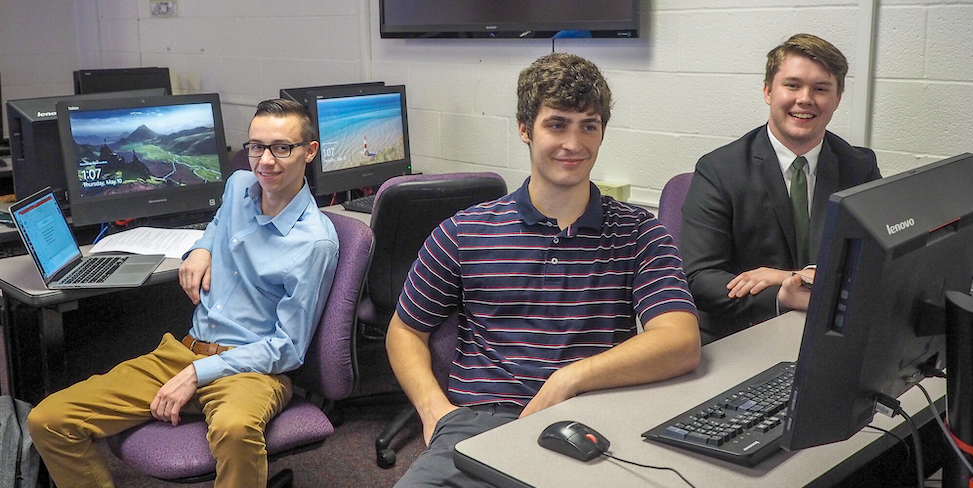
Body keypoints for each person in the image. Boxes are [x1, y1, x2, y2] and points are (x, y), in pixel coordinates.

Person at [386, 53, 701, 487]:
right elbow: (405, 331)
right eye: (557, 124)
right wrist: (434, 411)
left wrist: (569, 378)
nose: (574, 143)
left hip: (592, 423)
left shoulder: (638, 232)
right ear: (524, 129)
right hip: (480, 424)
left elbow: (681, 341)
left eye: (588, 125)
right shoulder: (464, 232)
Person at [27, 99, 340, 488]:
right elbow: (218, 220)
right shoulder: (240, 184)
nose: (265, 161)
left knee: (235, 429)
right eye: (256, 147)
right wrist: (203, 248)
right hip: (182, 352)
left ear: (309, 152)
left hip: (253, 369)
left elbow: (288, 348)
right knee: (49, 420)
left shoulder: (314, 244)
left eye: (281, 147)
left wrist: (199, 373)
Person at [681, 33, 880, 342]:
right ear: (768, 91)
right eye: (792, 85)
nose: (805, 99)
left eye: (821, 89)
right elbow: (699, 278)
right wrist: (781, 295)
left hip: (829, 333)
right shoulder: (719, 170)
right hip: (744, 335)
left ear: (837, 99)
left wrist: (787, 277)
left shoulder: (858, 167)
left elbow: (874, 262)